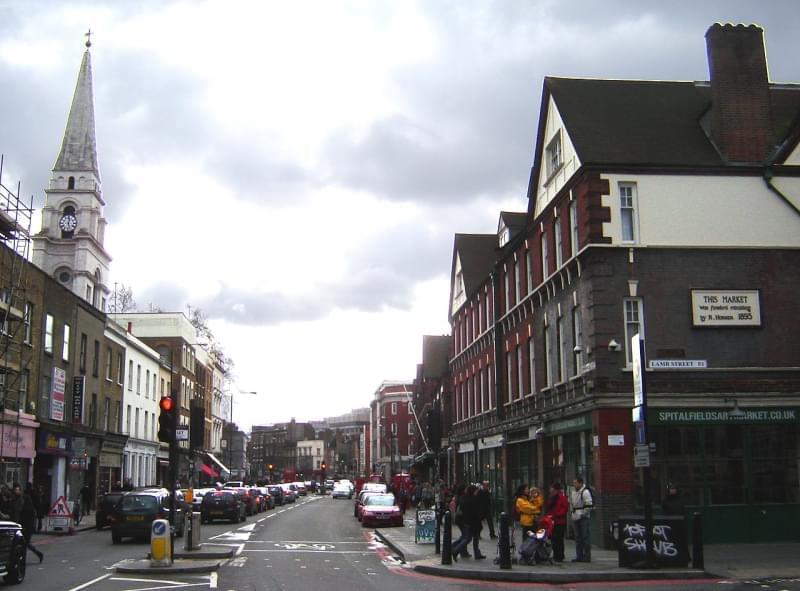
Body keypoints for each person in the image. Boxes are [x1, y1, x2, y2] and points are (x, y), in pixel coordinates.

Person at [451, 484, 486, 560]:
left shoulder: (464, 498)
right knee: (468, 538)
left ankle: (476, 553)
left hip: (466, 522)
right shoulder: (472, 500)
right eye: (476, 491)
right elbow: (474, 512)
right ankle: (455, 550)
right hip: (472, 522)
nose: (477, 492)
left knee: (468, 538)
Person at [11, 483, 43, 563]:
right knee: (24, 543)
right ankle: (38, 554)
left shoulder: (26, 498)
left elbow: (30, 513)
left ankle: (23, 561)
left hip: (27, 526)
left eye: (17, 490)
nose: (16, 492)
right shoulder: (16, 499)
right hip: (20, 525)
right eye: (14, 490)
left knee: (24, 543)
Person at [569, 477, 593, 563]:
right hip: (575, 516)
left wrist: (583, 514)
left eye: (575, 483)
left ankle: (587, 556)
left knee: (585, 537)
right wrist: (572, 513)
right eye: (573, 483)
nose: (574, 484)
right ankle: (579, 556)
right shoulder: (573, 492)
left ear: (580, 483)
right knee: (578, 538)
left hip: (583, 517)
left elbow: (589, 505)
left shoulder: (585, 492)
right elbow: (571, 503)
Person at [543, 481, 568, 563]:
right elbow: (549, 508)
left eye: (553, 489)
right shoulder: (552, 498)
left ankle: (559, 556)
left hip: (560, 522)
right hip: (552, 522)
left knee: (559, 539)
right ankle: (556, 555)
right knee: (553, 539)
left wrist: (556, 515)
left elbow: (564, 509)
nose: (551, 491)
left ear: (557, 490)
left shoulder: (562, 497)